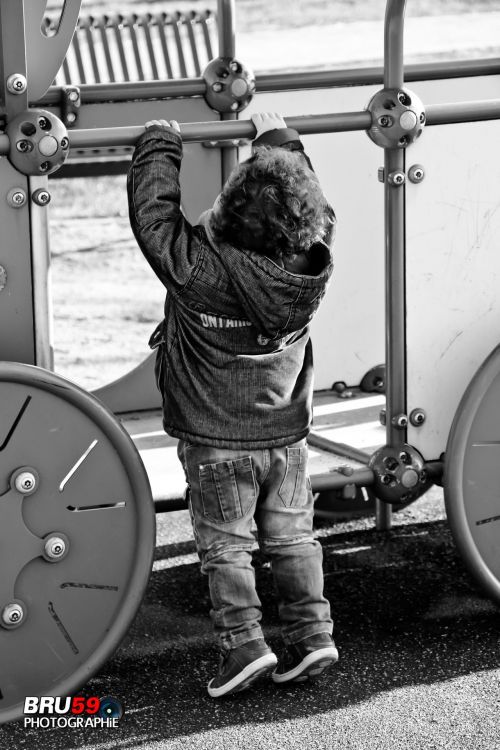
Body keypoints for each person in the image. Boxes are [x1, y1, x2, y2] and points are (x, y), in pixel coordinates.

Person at [128, 111, 338, 698]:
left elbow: (154, 217)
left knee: (226, 545)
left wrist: (160, 143)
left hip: (216, 439)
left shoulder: (195, 268)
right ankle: (312, 634)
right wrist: (282, 142)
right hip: (288, 437)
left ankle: (245, 645)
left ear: (223, 219)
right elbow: (311, 200)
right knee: (294, 536)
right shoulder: (313, 262)